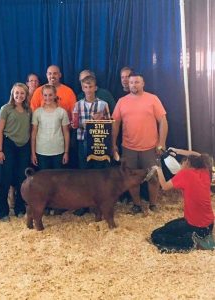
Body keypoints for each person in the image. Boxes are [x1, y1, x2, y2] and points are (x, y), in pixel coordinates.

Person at [112, 73, 168, 213]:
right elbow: (115, 124)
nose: (133, 85)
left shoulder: (153, 99)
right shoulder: (122, 101)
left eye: (137, 82)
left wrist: (161, 143)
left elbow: (163, 121)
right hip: (128, 148)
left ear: (143, 84)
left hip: (150, 147)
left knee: (154, 178)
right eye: (131, 82)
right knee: (131, 178)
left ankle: (153, 204)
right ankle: (136, 205)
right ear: (127, 84)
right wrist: (113, 144)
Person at [150, 148, 215, 253]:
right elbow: (196, 154)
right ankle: (200, 237)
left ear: (187, 163)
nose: (181, 164)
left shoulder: (185, 174)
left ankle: (191, 242)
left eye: (183, 162)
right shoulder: (205, 170)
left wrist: (159, 169)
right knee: (168, 226)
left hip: (195, 226)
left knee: (156, 235)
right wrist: (177, 151)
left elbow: (165, 186)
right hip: (208, 225)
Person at [72, 75, 111, 216]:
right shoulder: (77, 105)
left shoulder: (103, 104)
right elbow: (74, 125)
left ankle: (100, 204)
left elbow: (109, 124)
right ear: (82, 88)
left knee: (99, 173)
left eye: (91, 87)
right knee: (84, 173)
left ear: (96, 88)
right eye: (85, 87)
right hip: (83, 141)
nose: (88, 90)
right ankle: (84, 204)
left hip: (99, 142)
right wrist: (88, 123)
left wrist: (101, 120)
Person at [0, 83, 31, 222]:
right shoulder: (6, 109)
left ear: (26, 95)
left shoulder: (29, 110)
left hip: (24, 147)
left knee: (21, 178)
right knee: (6, 178)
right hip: (8, 145)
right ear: (12, 94)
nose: (19, 95)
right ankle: (2, 211)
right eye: (17, 93)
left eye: (22, 93)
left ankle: (20, 208)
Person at [8, 73, 40, 212]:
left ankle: (24, 200)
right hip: (12, 142)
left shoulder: (33, 103)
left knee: (23, 171)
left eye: (35, 81)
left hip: (27, 142)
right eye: (31, 81)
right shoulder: (10, 106)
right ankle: (11, 196)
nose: (33, 83)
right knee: (12, 170)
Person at [31, 84, 70, 170]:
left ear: (55, 95)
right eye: (45, 95)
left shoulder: (62, 112)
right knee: (43, 180)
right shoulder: (37, 112)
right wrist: (33, 153)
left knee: (57, 179)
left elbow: (66, 133)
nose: (47, 97)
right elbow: (33, 133)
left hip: (58, 151)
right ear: (42, 96)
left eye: (50, 95)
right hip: (41, 151)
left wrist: (66, 152)